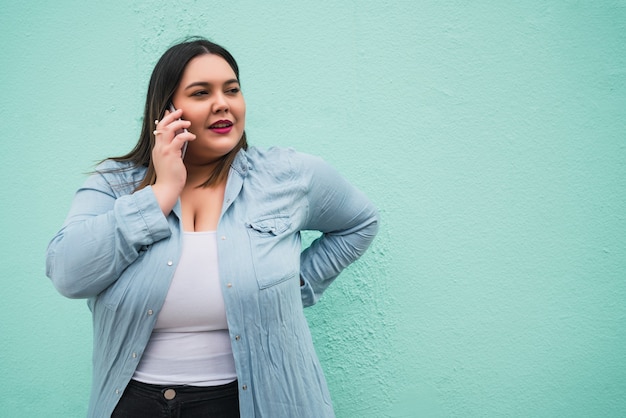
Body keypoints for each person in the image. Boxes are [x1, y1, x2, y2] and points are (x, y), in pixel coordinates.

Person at [45, 37, 379, 418]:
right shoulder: (114, 185)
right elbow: (68, 275)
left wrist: (294, 285)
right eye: (201, 93)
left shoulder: (287, 176)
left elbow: (360, 222)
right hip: (136, 405)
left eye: (232, 90)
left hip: (257, 402)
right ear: (167, 110)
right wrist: (160, 193)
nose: (223, 103)